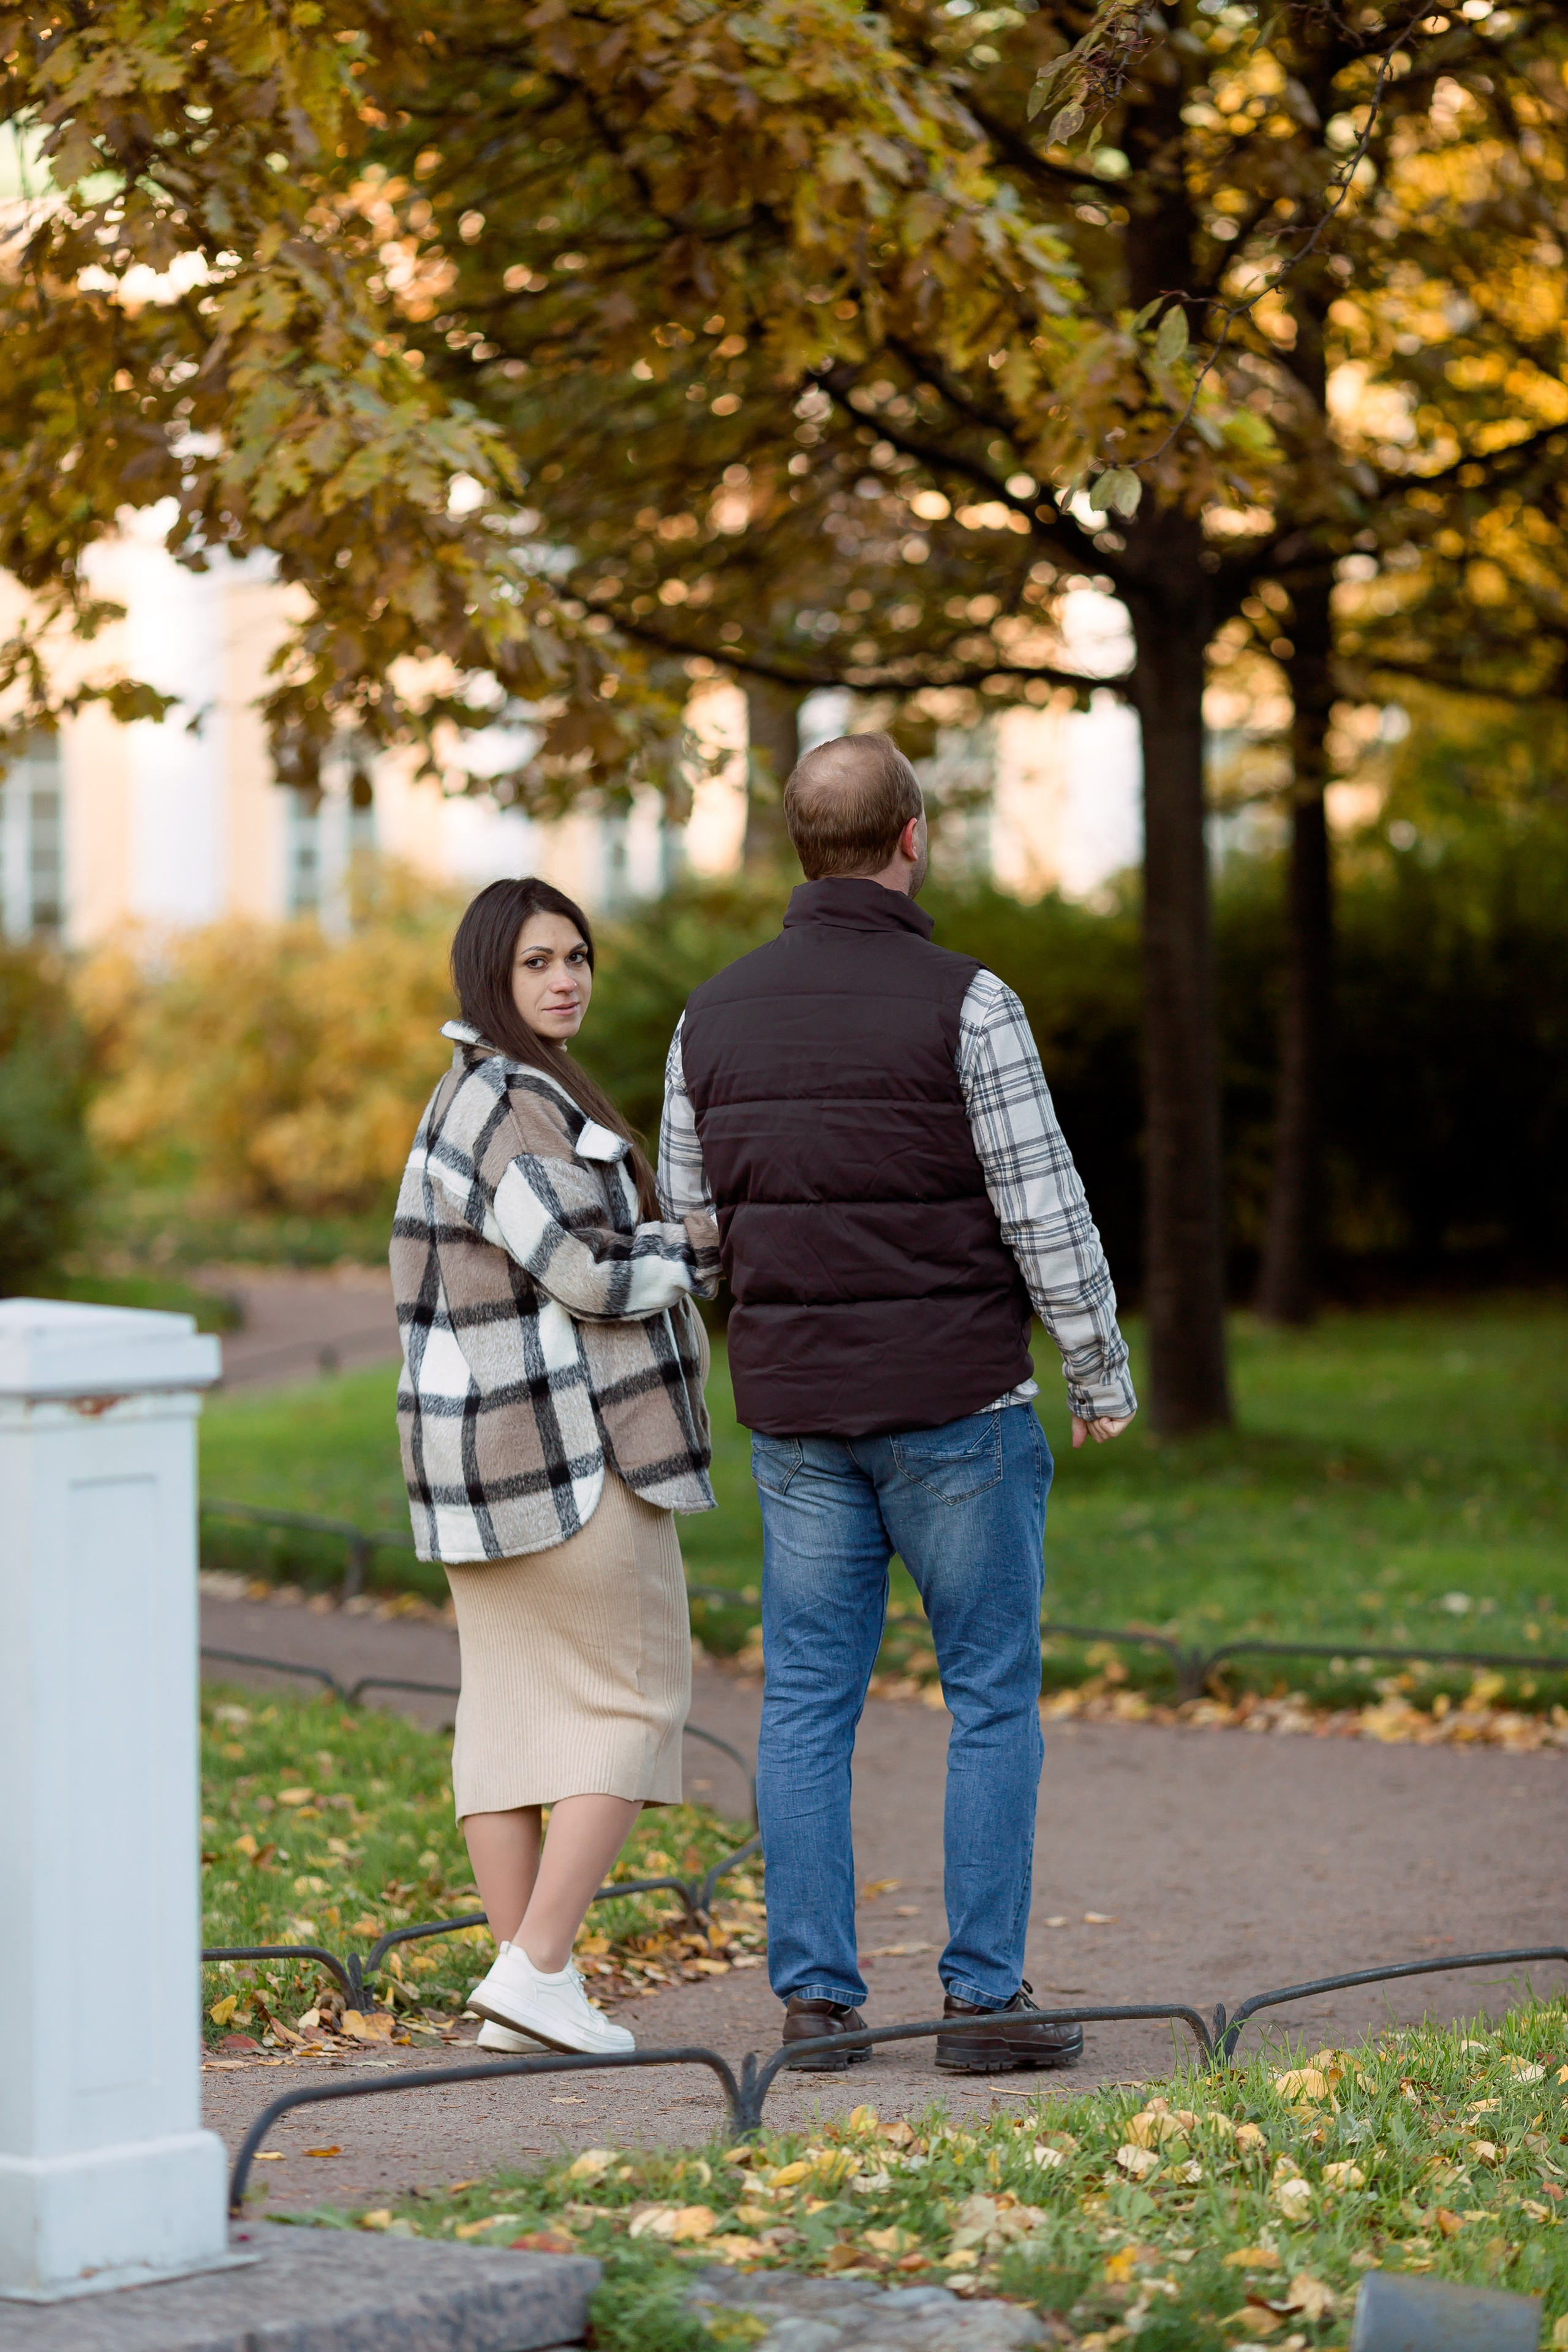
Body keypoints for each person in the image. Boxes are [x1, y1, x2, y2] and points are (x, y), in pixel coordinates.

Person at [659, 734, 1136, 2076]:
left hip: (798, 1424)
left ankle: (817, 2008)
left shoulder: (711, 1017)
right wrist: (1096, 1367)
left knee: (807, 1699)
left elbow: (694, 1245)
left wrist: (768, 1339)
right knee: (987, 1693)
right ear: (910, 836)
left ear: (798, 847)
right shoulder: (968, 1002)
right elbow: (1044, 1206)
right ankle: (983, 2007)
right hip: (957, 1413)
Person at [391, 876, 720, 2058]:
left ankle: (532, 1991)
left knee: (514, 1720)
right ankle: (535, 1969)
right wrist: (697, 1245)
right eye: (536, 963)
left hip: (475, 1469)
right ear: (492, 973)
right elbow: (585, 1271)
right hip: (567, 1456)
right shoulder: (512, 1103)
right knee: (632, 1701)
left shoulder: (466, 1095)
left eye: (576, 956)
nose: (565, 979)